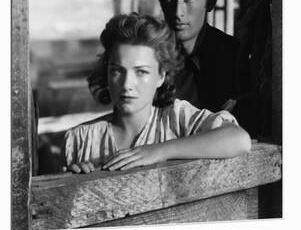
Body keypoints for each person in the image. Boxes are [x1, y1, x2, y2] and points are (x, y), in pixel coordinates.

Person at [62, 13, 250, 173]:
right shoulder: (80, 139)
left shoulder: (176, 118)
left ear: (161, 76)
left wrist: (158, 151)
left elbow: (238, 140)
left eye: (141, 72)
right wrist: (74, 177)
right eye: (117, 70)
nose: (127, 84)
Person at [139, 0, 239, 112]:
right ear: (161, 2)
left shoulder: (235, 55)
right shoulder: (149, 58)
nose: (178, 13)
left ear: (210, 1)